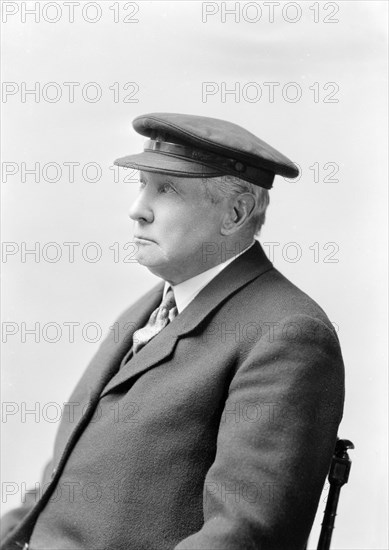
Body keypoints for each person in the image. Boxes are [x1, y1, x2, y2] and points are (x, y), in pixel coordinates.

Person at [1, 113, 345, 550]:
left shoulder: (287, 334)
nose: (137, 209)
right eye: (142, 183)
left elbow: (243, 537)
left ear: (236, 212)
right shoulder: (149, 308)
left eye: (166, 189)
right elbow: (60, 482)